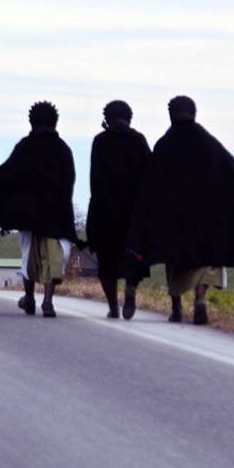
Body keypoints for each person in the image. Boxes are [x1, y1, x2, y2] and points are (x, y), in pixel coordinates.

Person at [127, 95, 234, 324]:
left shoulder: (165, 145)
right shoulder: (211, 144)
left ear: (171, 115)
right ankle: (200, 298)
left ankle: (176, 309)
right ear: (194, 114)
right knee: (208, 261)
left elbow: (150, 186)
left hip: (175, 220)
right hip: (208, 220)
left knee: (175, 261)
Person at [0, 101, 78, 318]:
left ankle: (29, 297)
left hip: (28, 216)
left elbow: (6, 177)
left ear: (31, 121)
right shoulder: (63, 150)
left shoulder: (24, 147)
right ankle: (48, 301)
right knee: (54, 259)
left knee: (28, 257)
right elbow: (69, 182)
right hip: (56, 217)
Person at [86, 100, 150, 320]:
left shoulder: (100, 142)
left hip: (105, 211)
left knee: (106, 262)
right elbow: (149, 175)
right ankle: (131, 288)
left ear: (107, 117)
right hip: (133, 213)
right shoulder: (138, 140)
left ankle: (113, 305)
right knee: (132, 257)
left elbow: (94, 179)